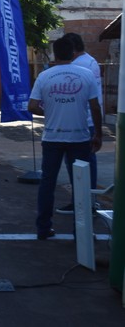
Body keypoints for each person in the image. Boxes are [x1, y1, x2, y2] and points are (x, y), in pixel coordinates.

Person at [27, 37, 102, 240]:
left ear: (55, 54)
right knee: (81, 185)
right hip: (79, 138)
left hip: (52, 137)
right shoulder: (86, 74)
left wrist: (49, 112)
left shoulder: (45, 76)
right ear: (73, 53)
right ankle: (82, 232)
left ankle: (43, 228)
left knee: (47, 183)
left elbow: (32, 106)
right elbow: (95, 107)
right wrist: (98, 134)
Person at [55, 32, 104, 214]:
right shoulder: (90, 61)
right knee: (86, 163)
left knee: (78, 164)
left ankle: (82, 203)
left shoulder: (78, 66)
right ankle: (87, 201)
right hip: (89, 120)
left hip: (81, 121)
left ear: (72, 48)